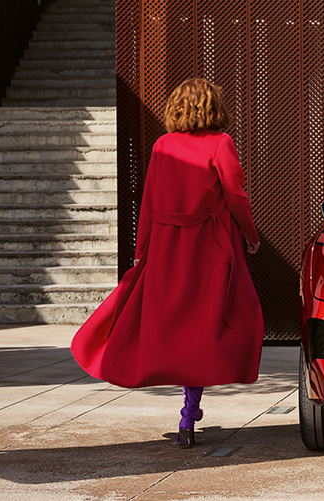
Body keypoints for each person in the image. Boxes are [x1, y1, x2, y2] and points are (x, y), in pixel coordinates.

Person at [71, 78, 264, 448]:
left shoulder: (163, 145)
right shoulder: (221, 144)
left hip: (166, 247)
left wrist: (142, 250)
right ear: (212, 108)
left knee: (173, 327)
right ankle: (189, 412)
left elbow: (148, 201)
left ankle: (188, 413)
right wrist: (250, 236)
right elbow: (236, 196)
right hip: (208, 249)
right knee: (207, 328)